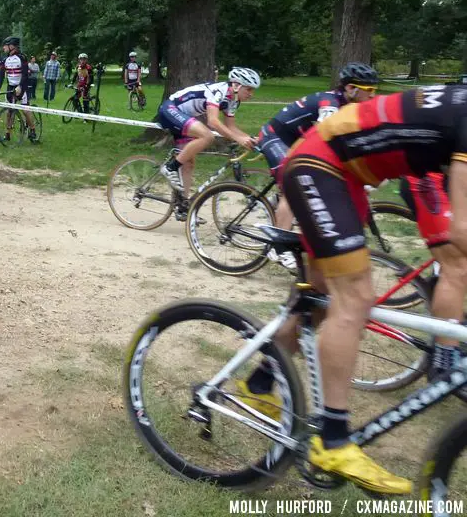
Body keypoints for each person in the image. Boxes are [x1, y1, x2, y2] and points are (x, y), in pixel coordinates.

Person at [236, 85, 467, 495]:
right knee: (354, 297)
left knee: (319, 299)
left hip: (347, 175)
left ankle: (258, 383)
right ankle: (334, 440)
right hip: (319, 163)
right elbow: (461, 230)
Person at [256, 62, 379, 269]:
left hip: (296, 141)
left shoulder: (348, 105)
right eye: (369, 90)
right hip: (275, 137)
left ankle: (278, 208)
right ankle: (277, 249)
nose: (373, 95)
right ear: (351, 88)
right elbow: (328, 140)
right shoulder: (329, 103)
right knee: (294, 189)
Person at [156, 67, 261, 201]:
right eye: (249, 89)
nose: (251, 94)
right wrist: (239, 140)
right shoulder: (219, 91)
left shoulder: (233, 100)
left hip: (184, 116)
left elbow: (231, 127)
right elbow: (213, 122)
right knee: (207, 136)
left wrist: (249, 139)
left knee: (189, 163)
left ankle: (183, 205)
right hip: (170, 109)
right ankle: (170, 168)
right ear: (236, 85)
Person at [0, 36, 38, 143]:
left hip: (22, 86)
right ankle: (8, 134)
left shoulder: (22, 57)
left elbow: (25, 75)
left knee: (25, 110)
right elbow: (1, 76)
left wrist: (20, 86)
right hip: (11, 86)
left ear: (11, 46)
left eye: (5, 45)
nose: (3, 48)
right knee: (9, 112)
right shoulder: (5, 60)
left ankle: (33, 130)